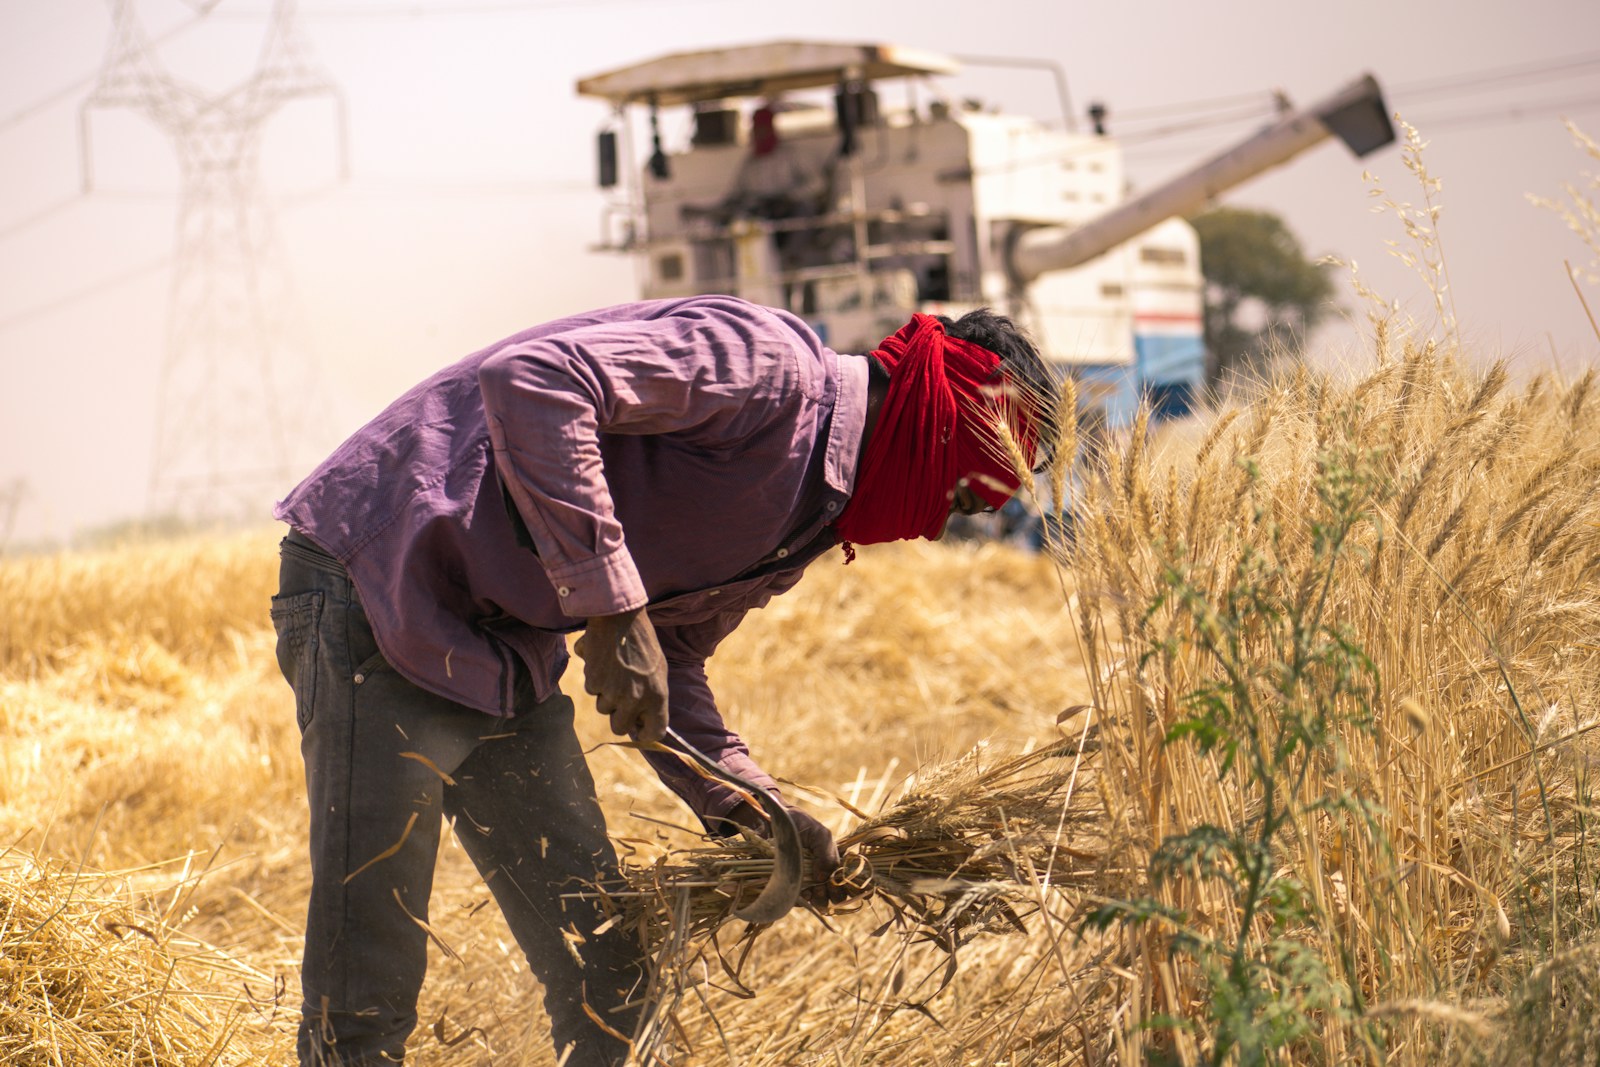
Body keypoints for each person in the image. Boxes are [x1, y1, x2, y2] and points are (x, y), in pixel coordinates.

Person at [268, 296, 1052, 1066]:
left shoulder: (809, 517)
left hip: (503, 642)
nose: (940, 526)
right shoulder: (770, 367)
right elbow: (536, 379)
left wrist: (750, 802)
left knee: (611, 968)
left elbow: (666, 658)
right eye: (960, 494)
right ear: (941, 416)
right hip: (378, 579)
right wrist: (610, 607)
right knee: (365, 992)